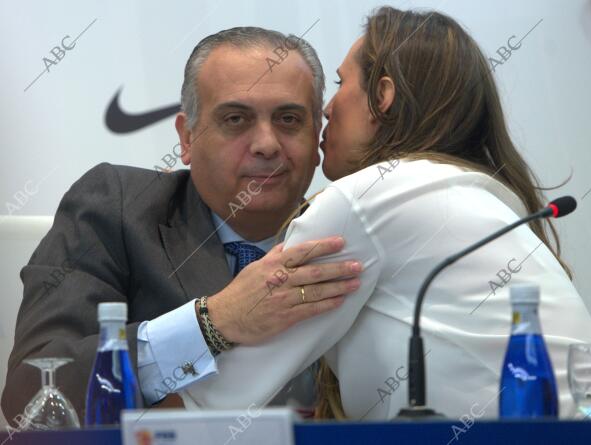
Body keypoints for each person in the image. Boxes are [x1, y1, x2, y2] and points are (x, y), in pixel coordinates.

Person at [180, 7, 591, 419]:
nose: (326, 111)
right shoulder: (470, 192)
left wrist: (186, 333)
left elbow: (214, 398)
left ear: (382, 96)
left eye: (344, 83)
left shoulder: (366, 201)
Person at [1, 27, 364, 423]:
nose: (266, 144)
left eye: (289, 119)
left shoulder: (355, 235)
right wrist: (212, 322)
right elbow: (31, 390)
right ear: (187, 138)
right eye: (236, 119)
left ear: (317, 140)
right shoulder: (118, 208)